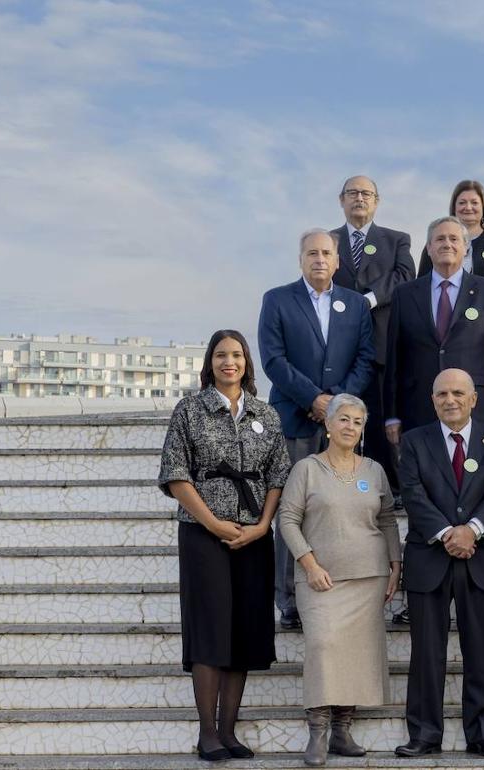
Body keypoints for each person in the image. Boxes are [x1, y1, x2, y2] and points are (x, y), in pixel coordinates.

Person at [156, 330, 291, 762]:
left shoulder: (266, 415)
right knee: (210, 629)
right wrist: (213, 524)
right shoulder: (190, 410)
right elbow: (176, 474)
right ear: (209, 363)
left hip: (253, 535)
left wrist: (263, 525)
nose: (229, 362)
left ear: (247, 362)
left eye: (236, 354)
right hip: (203, 534)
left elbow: (278, 475)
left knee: (244, 631)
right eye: (220, 355)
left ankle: (230, 731)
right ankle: (207, 732)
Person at [257, 229, 375, 630]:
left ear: (338, 260)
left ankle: (334, 586)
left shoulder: (356, 305)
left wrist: (337, 404)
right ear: (301, 259)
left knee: (338, 509)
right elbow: (273, 360)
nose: (320, 259)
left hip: (341, 429)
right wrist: (315, 400)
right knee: (293, 509)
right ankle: (288, 598)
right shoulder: (277, 300)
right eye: (312, 253)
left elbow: (365, 358)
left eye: (327, 253)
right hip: (293, 421)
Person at [276, 393, 401, 765]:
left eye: (358, 422)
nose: (350, 427)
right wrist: (310, 564)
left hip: (369, 576)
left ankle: (342, 731)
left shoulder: (374, 470)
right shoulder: (307, 469)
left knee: (358, 654)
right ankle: (317, 730)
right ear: (328, 425)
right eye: (343, 419)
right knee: (324, 646)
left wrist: (396, 564)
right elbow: (286, 519)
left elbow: (389, 519)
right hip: (320, 579)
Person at [394, 369, 484, 759]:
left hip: (482, 556)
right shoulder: (413, 441)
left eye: (459, 393)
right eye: (442, 393)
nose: (451, 400)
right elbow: (411, 493)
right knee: (427, 652)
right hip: (430, 557)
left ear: (474, 398)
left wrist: (472, 530)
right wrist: (448, 533)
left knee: (480, 649)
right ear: (432, 400)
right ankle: (425, 734)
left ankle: (482, 734)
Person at [385, 216, 484, 439]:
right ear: (429, 248)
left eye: (454, 238)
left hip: (476, 408)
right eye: (440, 239)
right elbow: (395, 357)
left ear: (466, 248)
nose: (447, 244)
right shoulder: (404, 294)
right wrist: (392, 415)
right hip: (418, 409)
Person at [330, 175, 416, 494]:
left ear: (377, 201)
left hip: (381, 345)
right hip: (338, 349)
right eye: (352, 193)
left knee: (380, 423)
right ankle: (340, 484)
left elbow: (406, 275)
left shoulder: (397, 240)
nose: (360, 198)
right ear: (341, 200)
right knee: (342, 417)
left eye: (367, 193)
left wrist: (368, 298)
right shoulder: (328, 240)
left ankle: (388, 488)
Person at [417, 179, 484, 313]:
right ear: (454, 208)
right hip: (441, 320)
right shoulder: (437, 243)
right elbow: (422, 285)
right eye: (462, 202)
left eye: (474, 202)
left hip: (483, 325)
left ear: (483, 207)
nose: (468, 207)